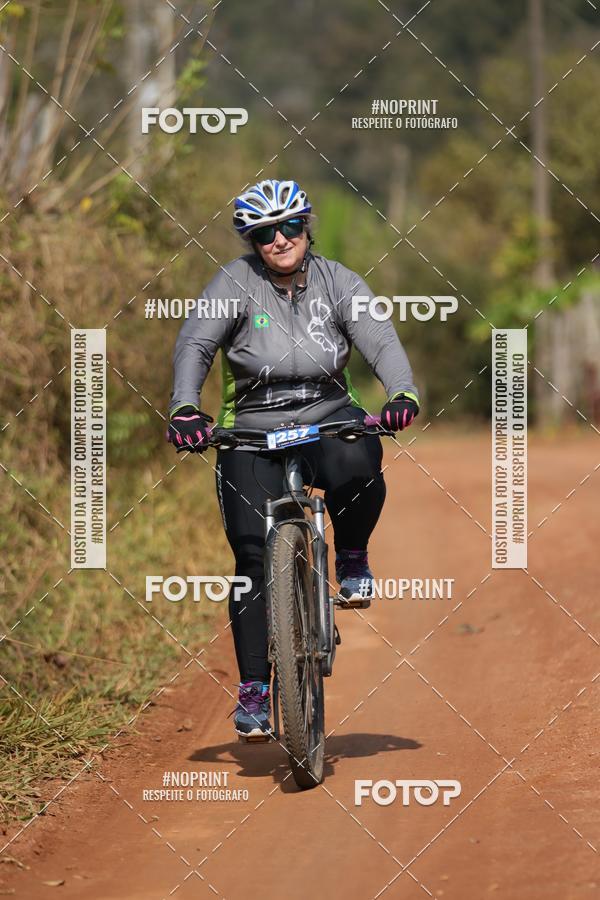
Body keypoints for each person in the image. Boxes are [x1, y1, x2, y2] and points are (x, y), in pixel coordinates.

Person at [167, 179, 419, 739]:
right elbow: (195, 344)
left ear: (306, 227)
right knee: (252, 557)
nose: (279, 240)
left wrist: (401, 392)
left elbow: (379, 339)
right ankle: (255, 689)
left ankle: (351, 556)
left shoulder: (339, 281)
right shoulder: (233, 283)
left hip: (326, 413)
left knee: (359, 462)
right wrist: (185, 407)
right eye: (265, 233)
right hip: (252, 427)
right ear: (252, 241)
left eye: (289, 227)